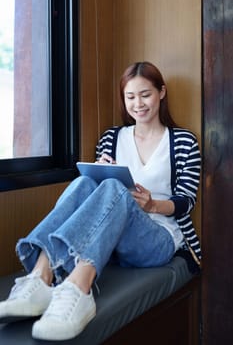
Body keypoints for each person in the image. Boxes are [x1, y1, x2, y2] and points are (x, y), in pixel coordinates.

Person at [0, 61, 201, 341]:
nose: (138, 104)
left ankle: (79, 289)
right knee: (86, 182)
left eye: (145, 94)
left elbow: (186, 200)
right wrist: (99, 169)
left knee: (111, 188)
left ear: (161, 93)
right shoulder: (112, 137)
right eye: (130, 97)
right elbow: (97, 193)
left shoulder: (183, 141)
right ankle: (40, 277)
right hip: (113, 237)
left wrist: (152, 205)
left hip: (158, 238)